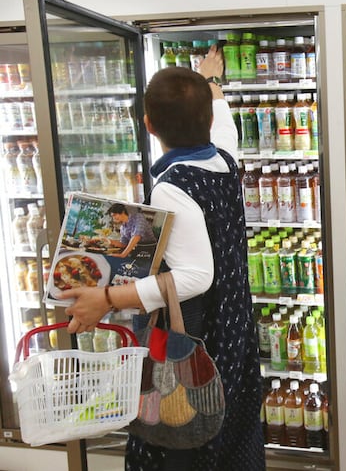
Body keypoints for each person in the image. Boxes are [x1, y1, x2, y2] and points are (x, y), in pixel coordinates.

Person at [61, 45, 264, 470]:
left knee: (186, 437)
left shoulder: (172, 186)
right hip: (233, 330)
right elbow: (225, 125)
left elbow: (195, 276)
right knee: (229, 432)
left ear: (147, 125)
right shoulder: (224, 161)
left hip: (194, 338)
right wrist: (212, 80)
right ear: (207, 118)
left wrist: (107, 299)